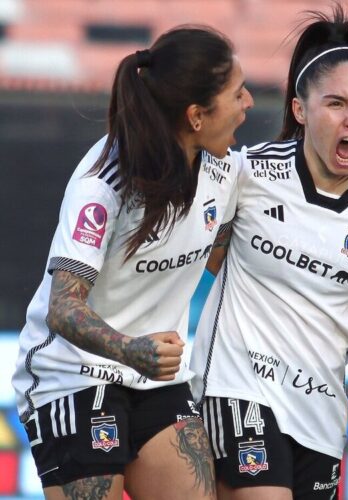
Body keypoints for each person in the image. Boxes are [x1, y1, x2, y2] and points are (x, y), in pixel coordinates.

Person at [189, 6, 348, 499]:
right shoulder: (248, 173)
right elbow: (203, 256)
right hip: (237, 389)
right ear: (300, 109)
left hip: (319, 413)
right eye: (336, 104)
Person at [12, 25, 253, 499]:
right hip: (74, 375)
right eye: (238, 94)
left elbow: (218, 260)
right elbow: (64, 309)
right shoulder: (104, 183)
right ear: (196, 116)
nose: (248, 104)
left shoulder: (226, 171)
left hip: (156, 379)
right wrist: (131, 350)